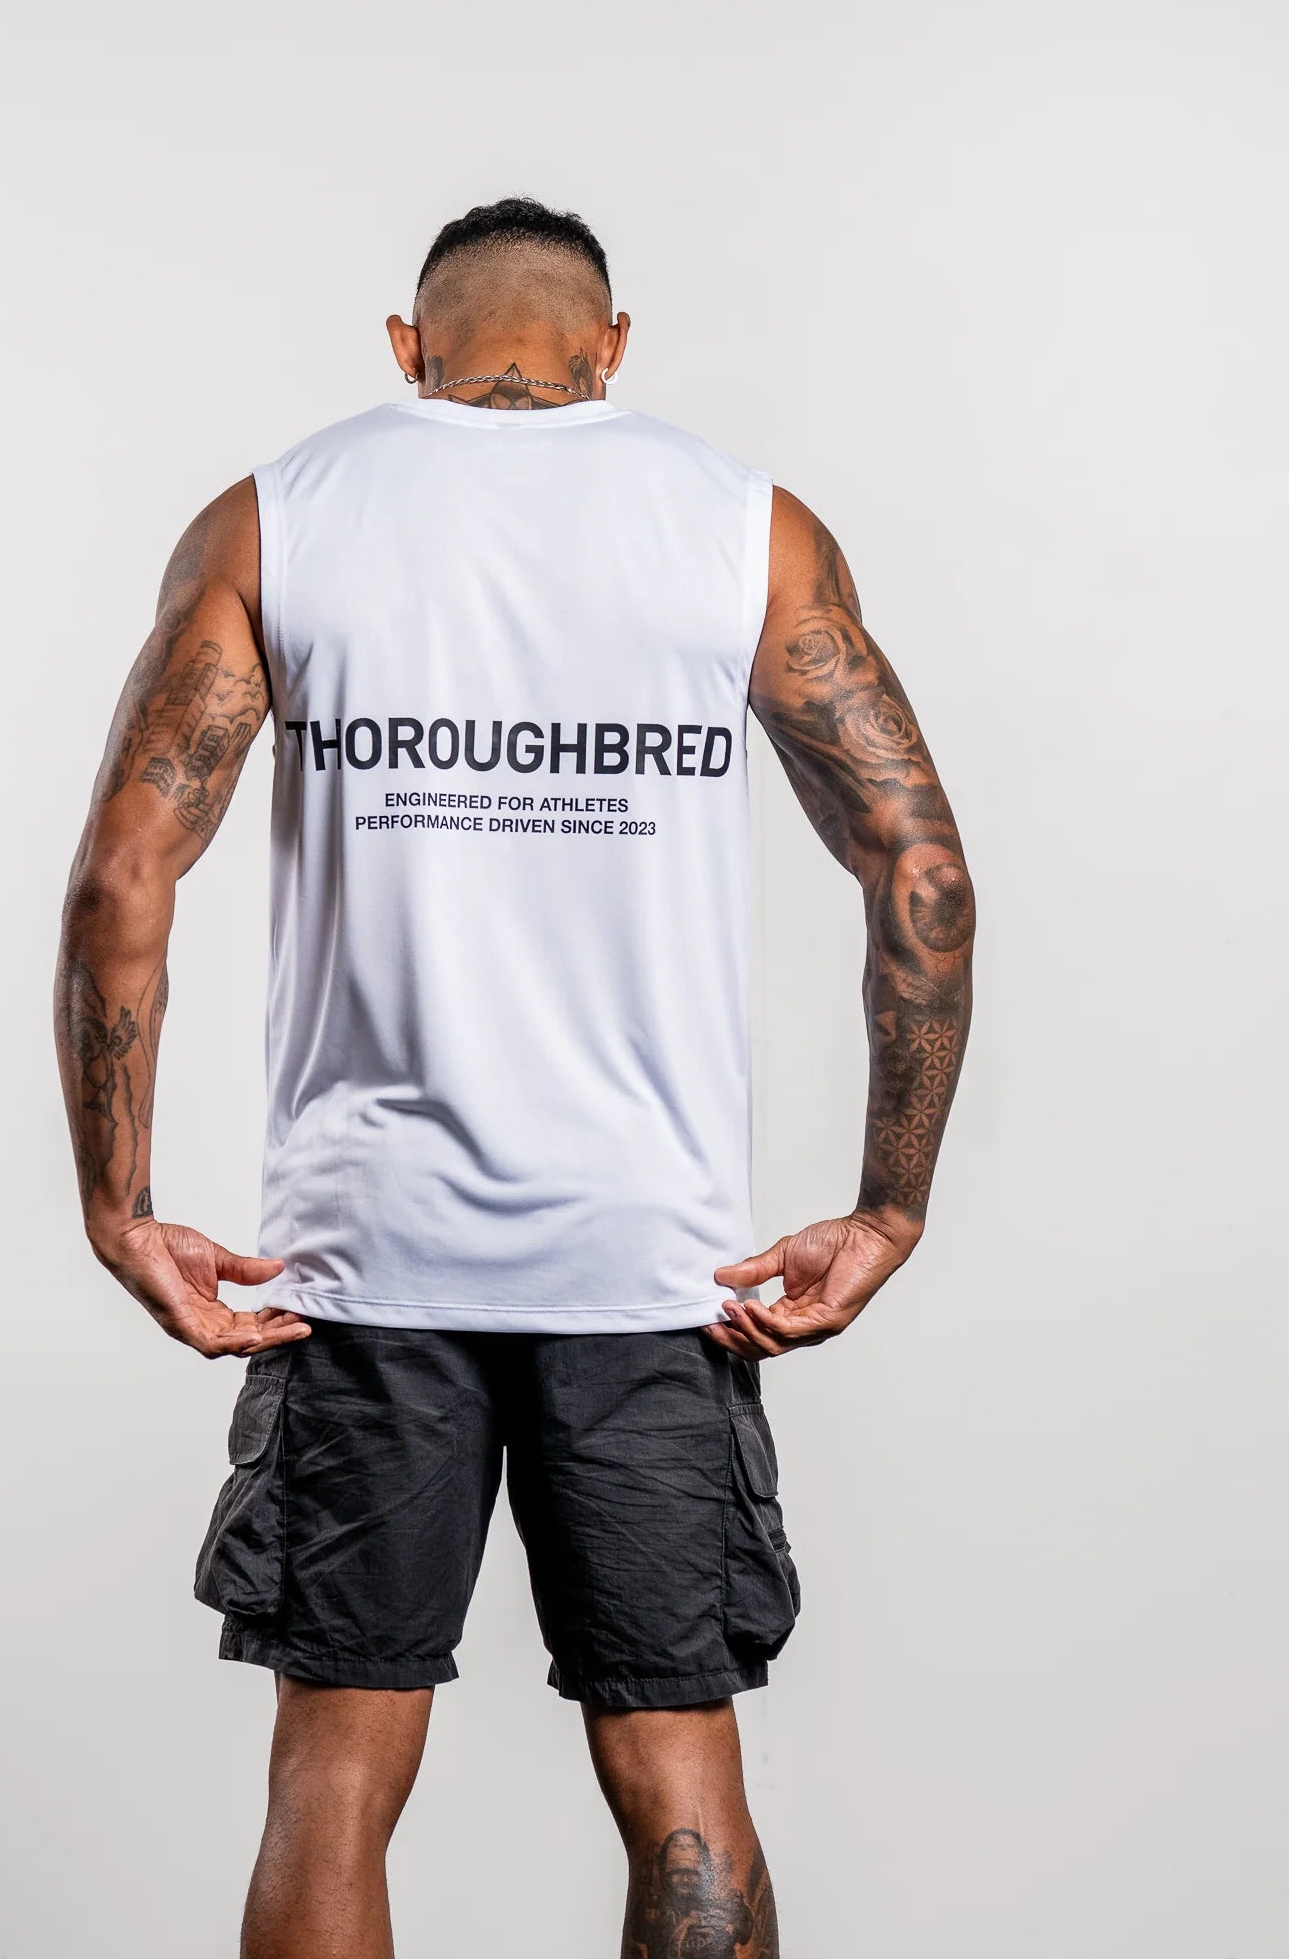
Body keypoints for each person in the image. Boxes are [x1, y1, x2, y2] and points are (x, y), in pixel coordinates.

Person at [53, 195, 975, 1959]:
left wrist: (120, 1205)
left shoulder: (280, 520)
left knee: (333, 1779)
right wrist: (891, 1207)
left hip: (360, 1265)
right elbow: (922, 876)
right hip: (655, 1268)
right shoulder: (747, 532)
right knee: (682, 1780)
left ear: (408, 350)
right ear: (610, 348)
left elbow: (120, 880)